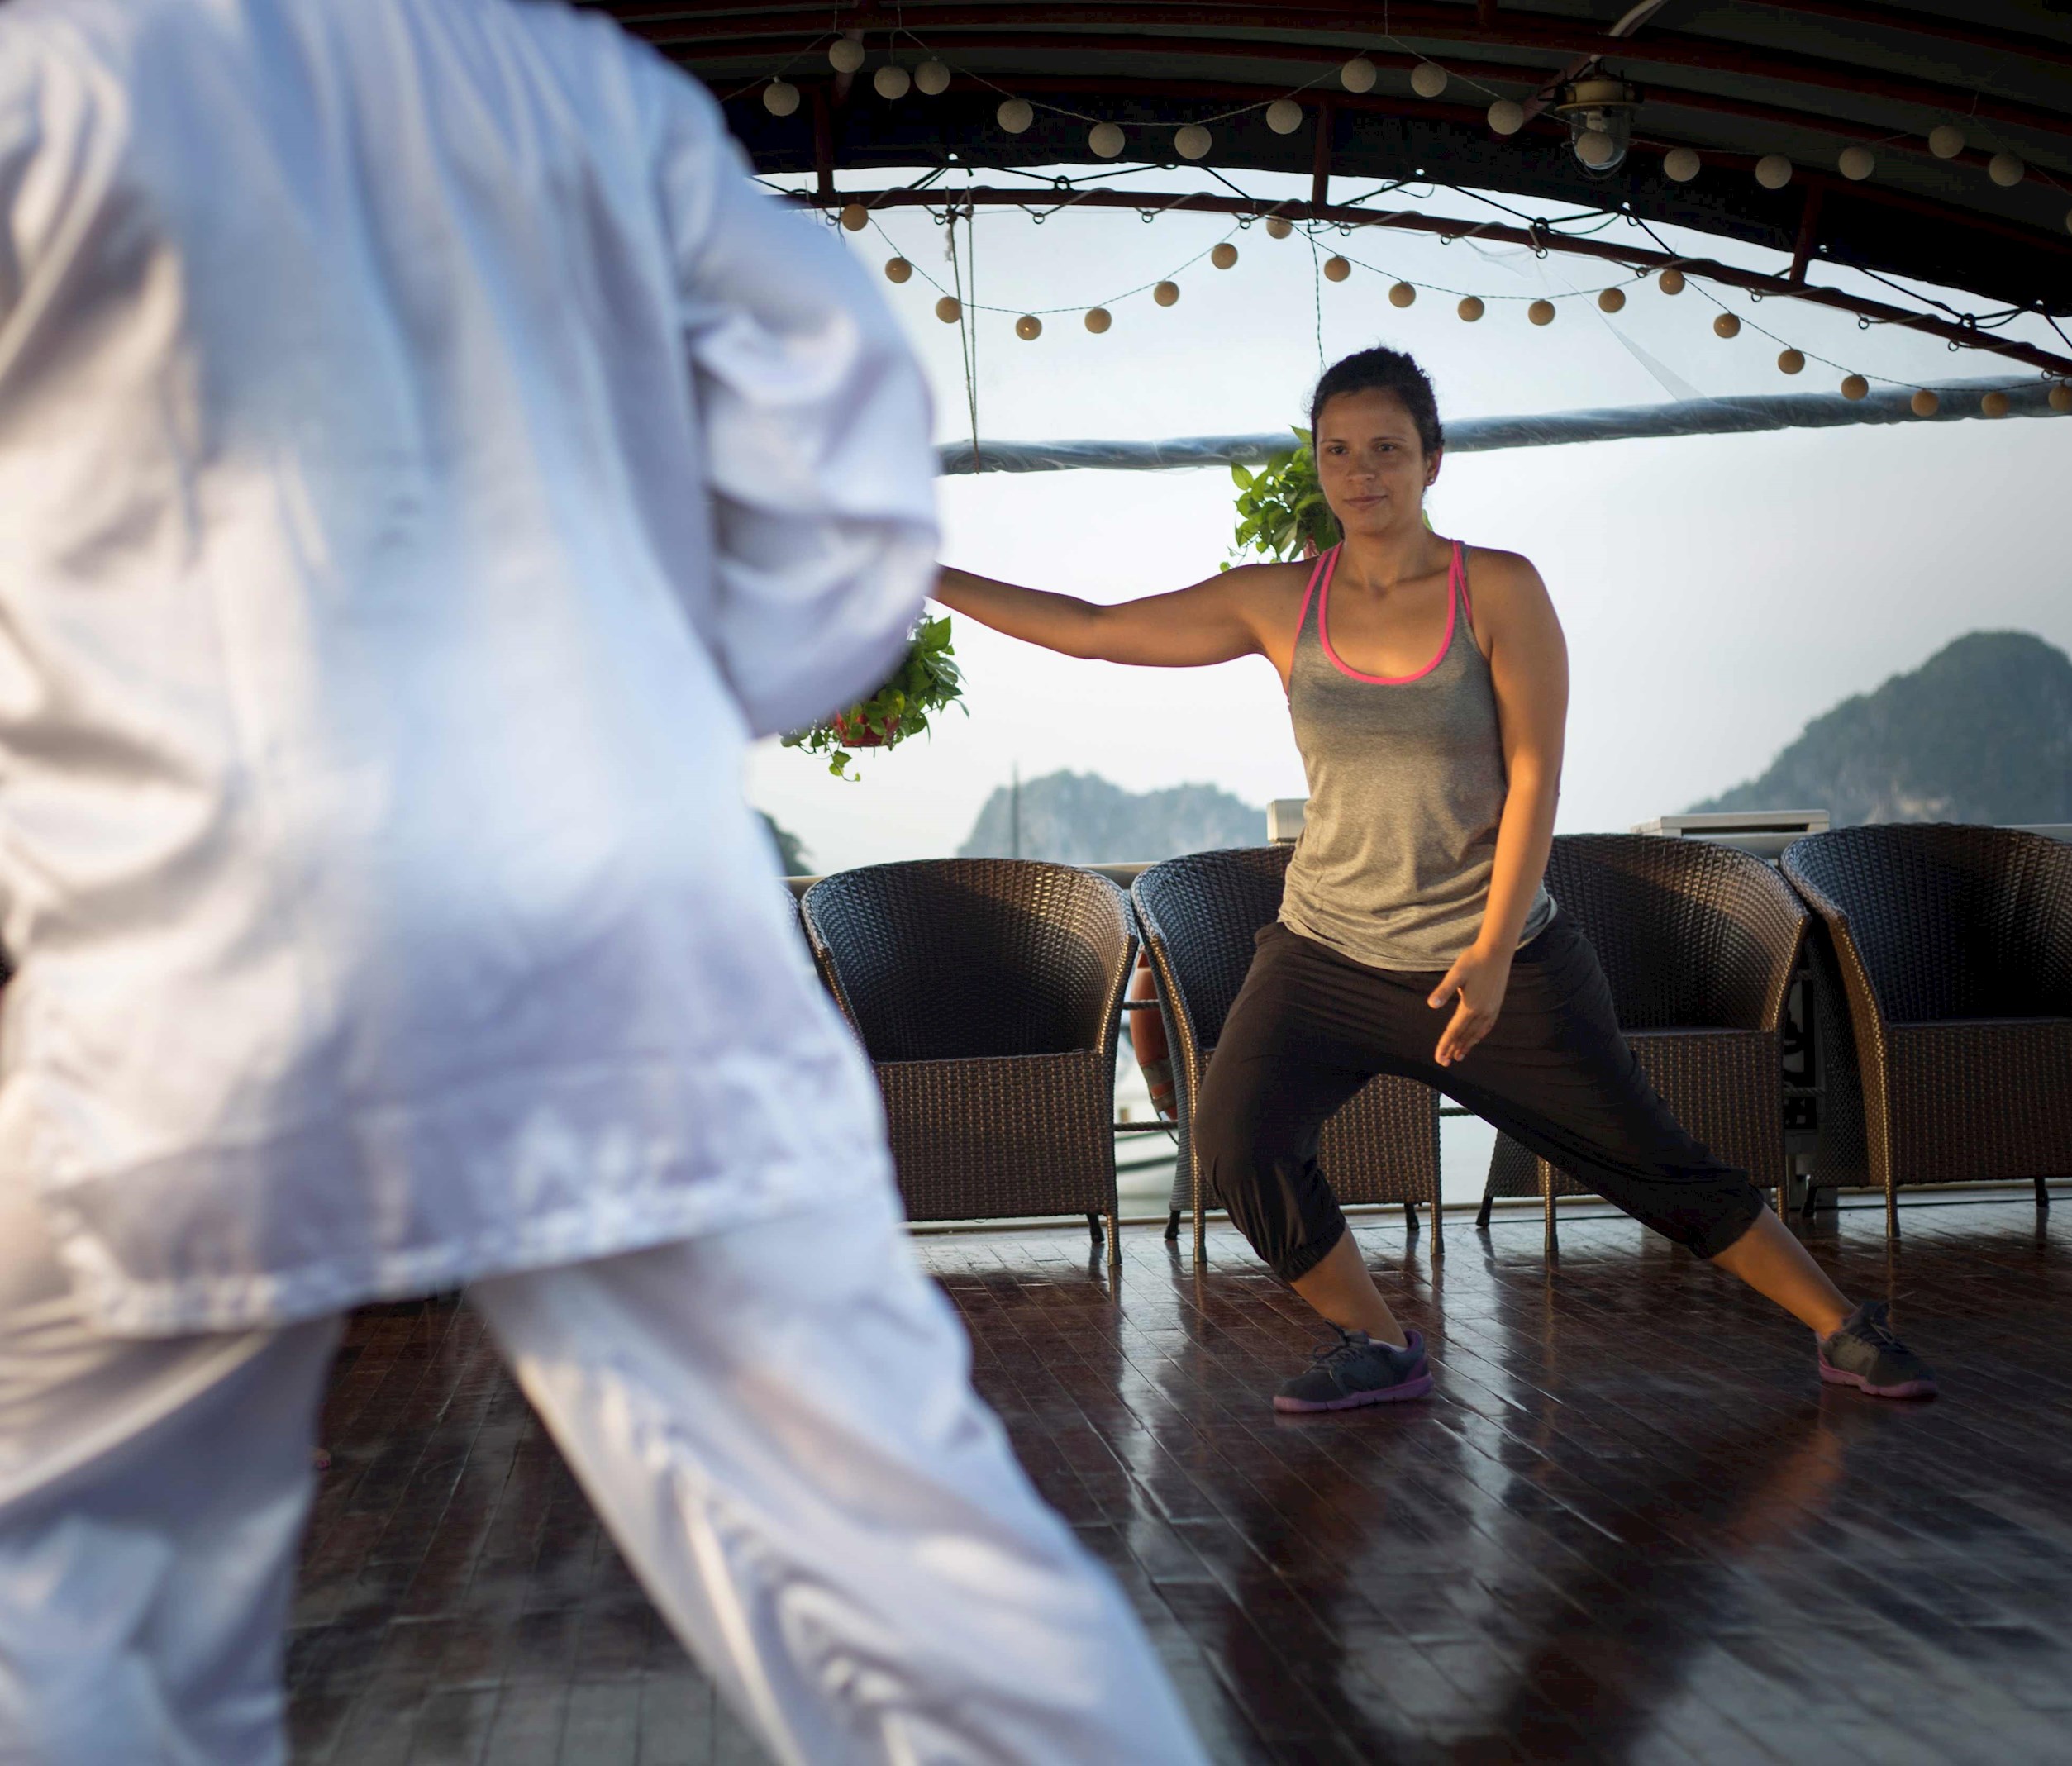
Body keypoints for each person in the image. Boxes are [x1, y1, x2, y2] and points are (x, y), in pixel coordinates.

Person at [0, 2, 1207, 1761]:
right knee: (927, 1582)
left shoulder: (49, 79)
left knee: (67, 1597)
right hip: (623, 933)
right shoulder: (583, 92)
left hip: (197, 946)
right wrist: (631, 710)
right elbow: (848, 505)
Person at [936, 345, 1936, 1413]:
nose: (1362, 471)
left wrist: (1497, 951)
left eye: (1386, 449)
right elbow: (1090, 630)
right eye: (1338, 451)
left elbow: (1535, 769)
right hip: (1324, 951)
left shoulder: (1498, 588)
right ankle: (1377, 1338)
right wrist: (928, 574)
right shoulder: (1280, 602)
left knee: (1647, 1159)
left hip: (1492, 958)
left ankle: (1841, 1325)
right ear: (1316, 465)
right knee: (1236, 1143)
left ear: (1432, 461)